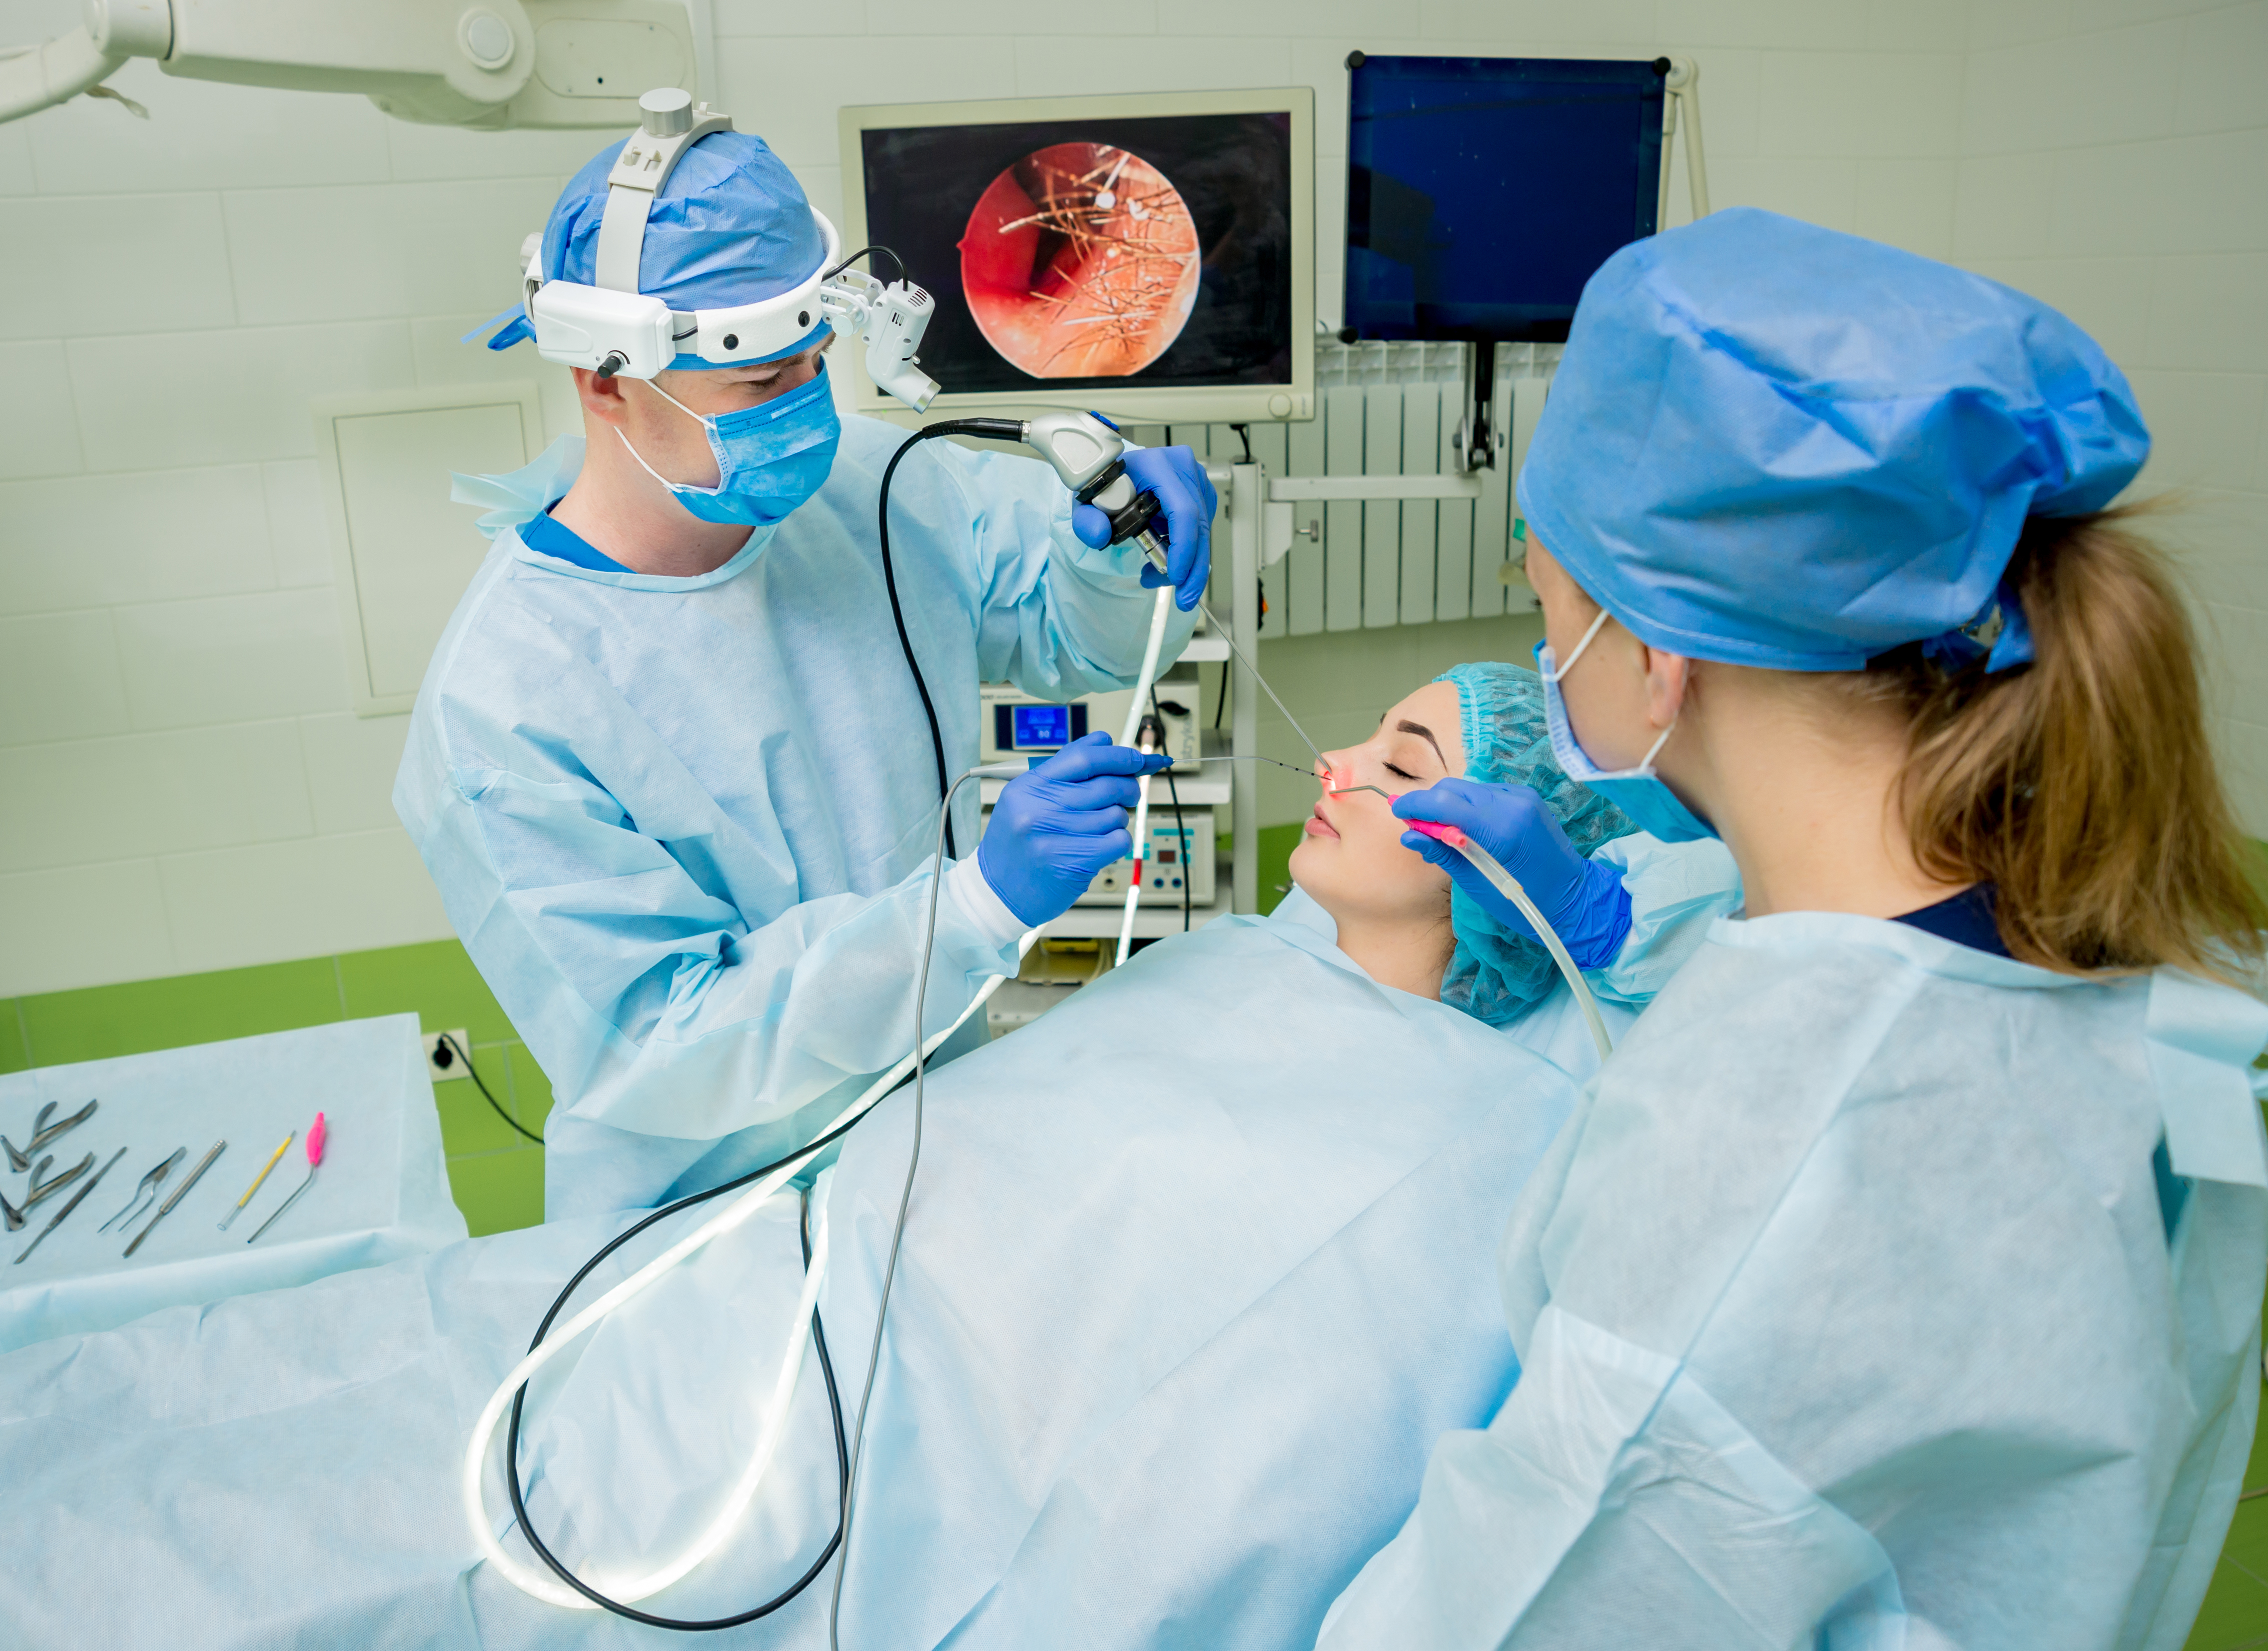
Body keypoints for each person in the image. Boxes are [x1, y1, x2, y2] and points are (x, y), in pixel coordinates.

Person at [0, 665, 1740, 1651]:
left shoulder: (1473, 1144)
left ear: (1508, 866)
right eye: (1369, 729)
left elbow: (1214, 1493)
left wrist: (1597, 920)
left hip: (799, 1477)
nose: (1342, 760)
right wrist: (981, 903)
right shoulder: (1251, 956)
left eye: (1412, 758)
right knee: (257, 1369)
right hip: (695, 1307)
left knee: (223, 1560)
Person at [1328, 207, 2268, 1650]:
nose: (1537, 650)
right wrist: (1592, 915)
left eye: (1543, 605)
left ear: (1653, 657)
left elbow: (1514, 1611)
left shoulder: (1745, 1208)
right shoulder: (2088, 932)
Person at [396, 118, 1215, 1219]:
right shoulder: (504, 705)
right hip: (711, 1218)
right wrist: (967, 910)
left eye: (812, 366)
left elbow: (1065, 640)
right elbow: (666, 1045)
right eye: (759, 385)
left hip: (935, 1140)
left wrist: (1102, 551)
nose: (806, 412)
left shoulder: (867, 483)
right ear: (605, 381)